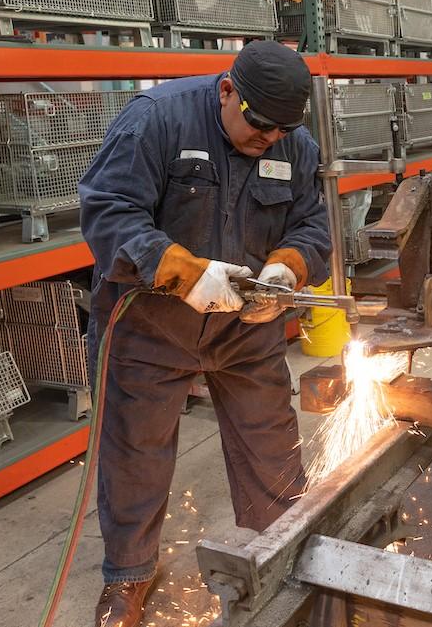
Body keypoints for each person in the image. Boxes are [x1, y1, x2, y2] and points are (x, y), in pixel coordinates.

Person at [78, 40, 330, 627]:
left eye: (282, 130)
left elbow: (313, 224)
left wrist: (286, 268)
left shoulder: (293, 142)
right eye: (259, 124)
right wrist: (184, 272)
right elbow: (107, 211)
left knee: (270, 440)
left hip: (244, 326)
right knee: (136, 452)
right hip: (149, 324)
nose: (269, 138)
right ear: (226, 91)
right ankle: (129, 574)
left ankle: (283, 549)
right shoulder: (158, 119)